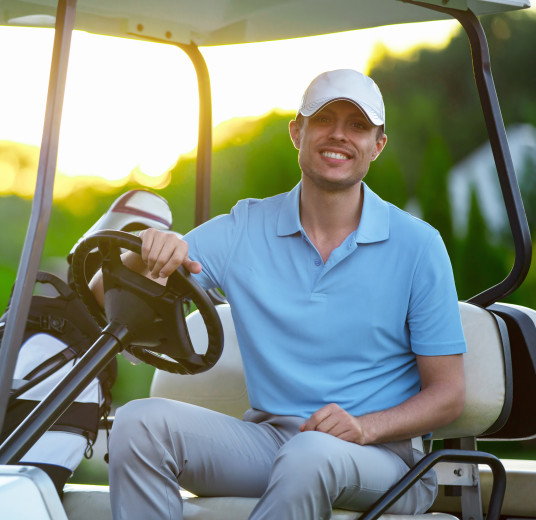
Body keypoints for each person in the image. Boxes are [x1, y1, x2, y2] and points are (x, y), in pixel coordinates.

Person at [99, 69, 467, 519]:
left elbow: (448, 395)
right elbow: (104, 292)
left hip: (386, 459)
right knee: (138, 424)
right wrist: (145, 253)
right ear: (298, 131)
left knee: (310, 455)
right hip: (273, 443)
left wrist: (364, 427)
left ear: (377, 145)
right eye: (324, 119)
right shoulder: (245, 228)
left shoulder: (418, 245)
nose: (338, 135)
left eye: (357, 126)